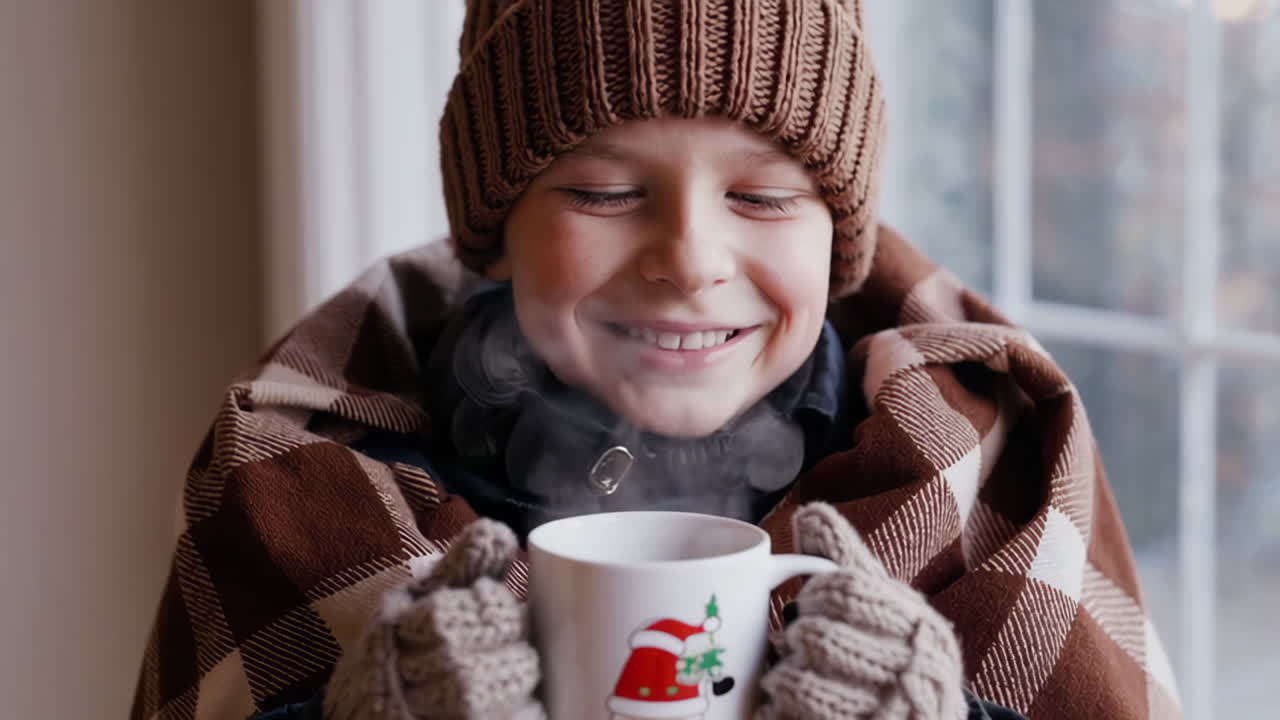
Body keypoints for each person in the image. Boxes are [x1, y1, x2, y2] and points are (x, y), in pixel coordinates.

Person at [131, 1, 1180, 719]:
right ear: (494, 229)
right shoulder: (291, 482)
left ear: (836, 235)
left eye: (762, 197)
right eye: (603, 192)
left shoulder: (996, 461)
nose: (688, 260)